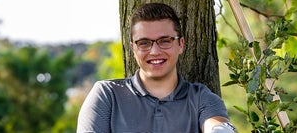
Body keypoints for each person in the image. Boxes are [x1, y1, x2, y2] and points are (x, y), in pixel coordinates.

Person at [77, 3, 236, 133]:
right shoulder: (107, 96)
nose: (155, 51)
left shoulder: (202, 98)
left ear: (181, 44)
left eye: (165, 41)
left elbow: (219, 127)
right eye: (144, 43)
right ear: (133, 49)